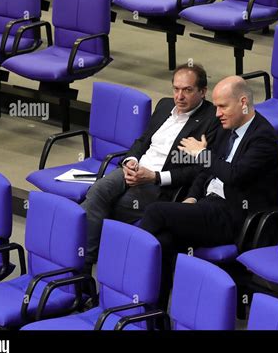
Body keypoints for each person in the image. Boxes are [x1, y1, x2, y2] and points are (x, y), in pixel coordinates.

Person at [140, 75, 278, 309]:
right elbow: (205, 172)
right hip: (208, 205)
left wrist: (203, 155)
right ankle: (155, 314)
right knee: (164, 240)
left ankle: (132, 271)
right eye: (215, 106)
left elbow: (233, 174)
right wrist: (192, 197)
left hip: (236, 215)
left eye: (222, 106)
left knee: (156, 212)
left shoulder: (263, 138)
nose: (217, 113)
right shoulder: (229, 127)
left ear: (243, 102)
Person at [80, 64, 219, 273]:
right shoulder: (164, 106)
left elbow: (198, 170)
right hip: (135, 169)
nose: (179, 96)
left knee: (109, 208)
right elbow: (143, 140)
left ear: (203, 91)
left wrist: (154, 177)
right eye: (176, 89)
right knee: (97, 191)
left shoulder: (211, 120)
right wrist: (130, 161)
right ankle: (86, 265)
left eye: (187, 90)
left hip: (160, 184)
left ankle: (84, 266)